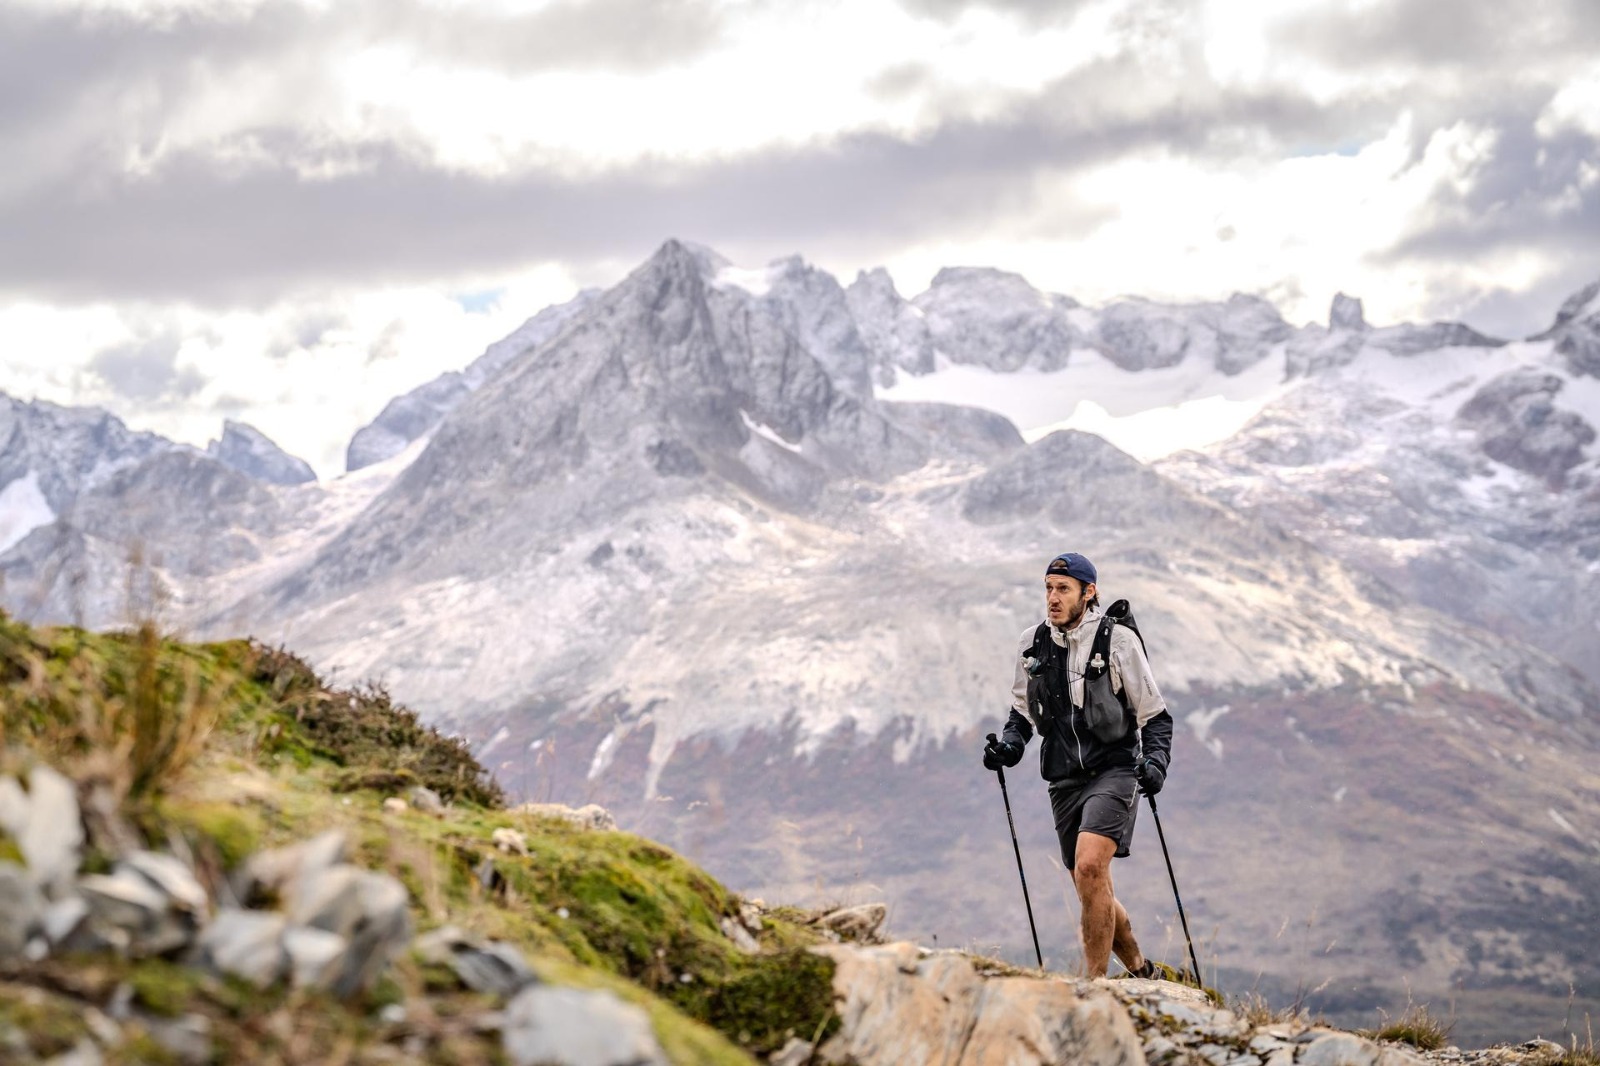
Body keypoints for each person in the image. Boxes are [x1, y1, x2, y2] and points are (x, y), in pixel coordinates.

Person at [982, 551, 1174, 979]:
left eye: (1063, 589)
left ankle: (1094, 986)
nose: (1052, 597)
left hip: (1116, 769)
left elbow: (1155, 716)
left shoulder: (1118, 641)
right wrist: (1009, 748)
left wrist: (1156, 762)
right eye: (1048, 588)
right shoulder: (1032, 643)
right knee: (1090, 884)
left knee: (1090, 865)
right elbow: (1022, 714)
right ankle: (1143, 972)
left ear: (1088, 593)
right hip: (1064, 777)